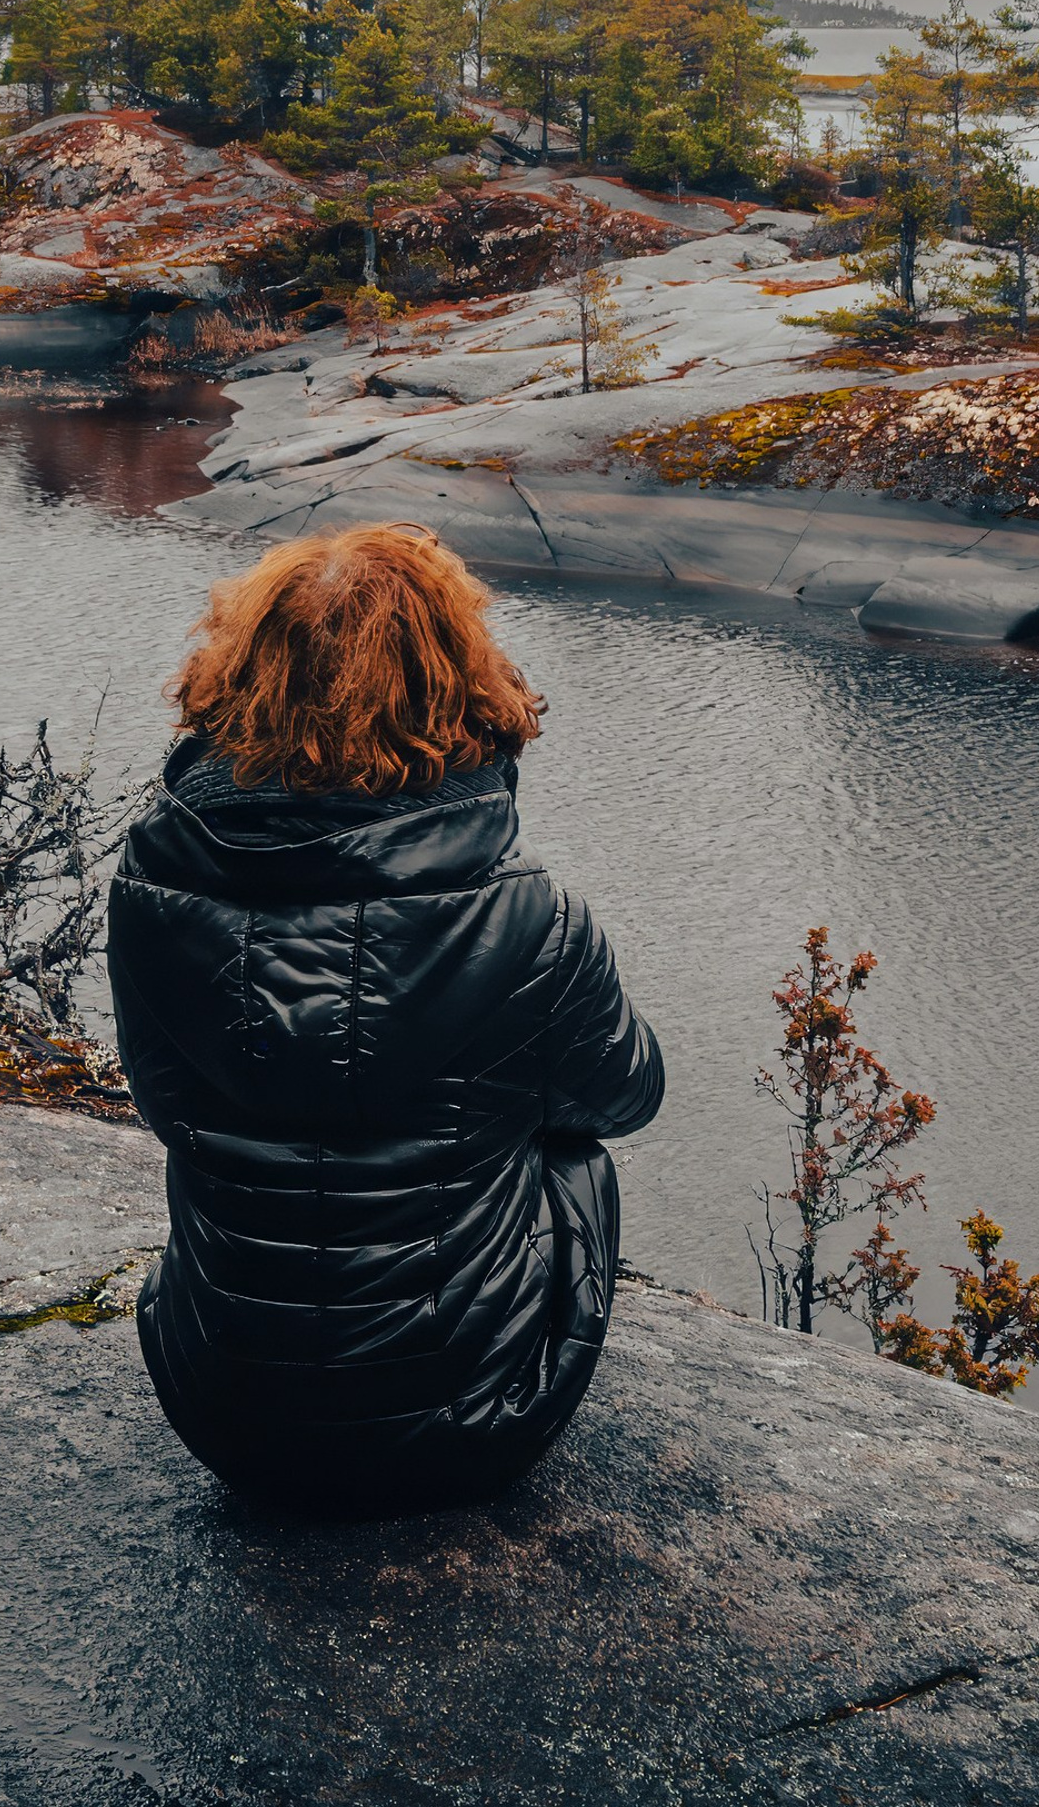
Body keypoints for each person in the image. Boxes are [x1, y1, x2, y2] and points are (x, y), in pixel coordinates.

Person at [108, 521, 664, 1518]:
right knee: (574, 1146)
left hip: (222, 1409)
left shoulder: (149, 892)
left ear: (238, 680)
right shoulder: (532, 917)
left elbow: (158, 1102)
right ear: (458, 682)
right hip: (473, 1424)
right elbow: (625, 1096)